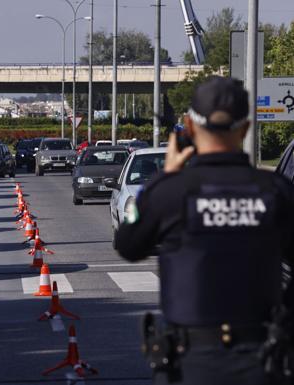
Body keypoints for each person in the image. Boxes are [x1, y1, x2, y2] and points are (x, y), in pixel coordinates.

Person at [116, 76, 294, 385]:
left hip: (190, 364)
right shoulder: (277, 191)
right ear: (246, 128)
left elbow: (129, 243)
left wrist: (164, 177)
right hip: (264, 361)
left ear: (190, 126)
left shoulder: (169, 193)